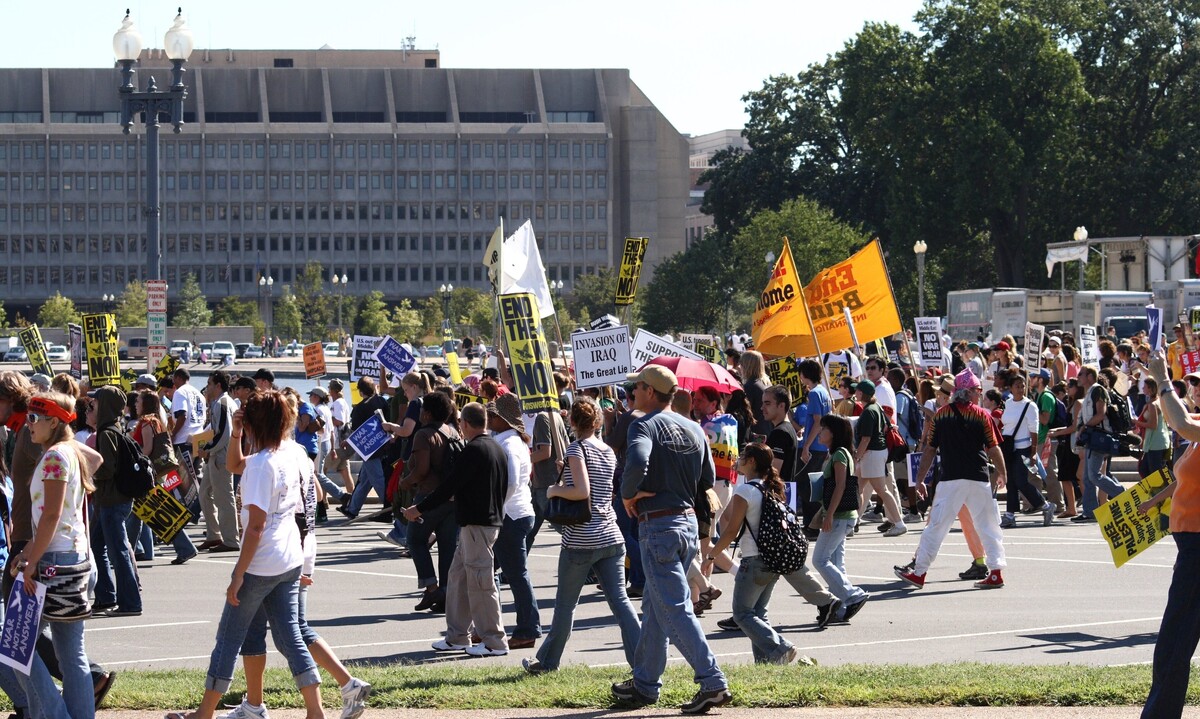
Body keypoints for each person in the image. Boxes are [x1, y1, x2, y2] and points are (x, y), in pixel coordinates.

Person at [166, 391, 324, 719]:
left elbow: (254, 527)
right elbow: (234, 463)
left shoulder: (263, 465)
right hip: (289, 558)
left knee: (228, 638)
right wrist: (237, 432)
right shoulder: (287, 454)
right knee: (290, 636)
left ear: (255, 423)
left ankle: (205, 712)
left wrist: (238, 574)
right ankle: (315, 710)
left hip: (262, 562)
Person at [615, 365, 731, 714]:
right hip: (686, 525)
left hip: (659, 526)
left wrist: (628, 494)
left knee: (673, 608)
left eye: (636, 387)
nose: (632, 392)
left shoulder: (644, 424)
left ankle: (712, 681)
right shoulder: (694, 427)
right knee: (655, 606)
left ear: (651, 391)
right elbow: (707, 477)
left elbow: (635, 461)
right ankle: (645, 683)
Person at [523, 398, 640, 674]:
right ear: (598, 421)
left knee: (565, 605)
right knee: (621, 602)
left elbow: (581, 492)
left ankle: (548, 662)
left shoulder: (577, 449)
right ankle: (642, 660)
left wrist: (554, 490)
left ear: (572, 422)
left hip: (581, 537)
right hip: (611, 535)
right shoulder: (607, 451)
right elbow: (602, 491)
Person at [404, 402, 509, 658]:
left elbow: (449, 486)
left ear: (466, 424)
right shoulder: (495, 447)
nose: (459, 426)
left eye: (461, 422)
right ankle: (457, 637)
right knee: (458, 578)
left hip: (478, 524)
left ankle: (494, 640)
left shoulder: (475, 449)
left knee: (480, 583)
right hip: (478, 522)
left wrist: (419, 508)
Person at [895, 369, 1008, 590]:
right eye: (977, 390)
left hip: (951, 478)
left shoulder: (941, 415)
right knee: (988, 525)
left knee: (936, 526)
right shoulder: (982, 415)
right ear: (970, 392)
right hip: (978, 476)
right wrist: (1003, 473)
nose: (979, 393)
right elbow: (993, 448)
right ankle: (995, 572)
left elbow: (929, 450)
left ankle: (919, 573)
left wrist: (920, 479)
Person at [1137, 352, 1200, 717]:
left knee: (1173, 642)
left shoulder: (1194, 430)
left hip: (1197, 549)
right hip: (1191, 545)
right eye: (1191, 381)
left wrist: (1163, 379)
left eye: (1198, 383)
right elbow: (1181, 478)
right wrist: (1156, 501)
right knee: (1175, 640)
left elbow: (1179, 423)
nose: (1193, 387)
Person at [704, 443, 802, 664]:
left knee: (742, 615)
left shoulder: (745, 491)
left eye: (742, 456)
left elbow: (731, 531)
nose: (737, 460)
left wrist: (711, 556)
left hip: (753, 560)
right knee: (758, 613)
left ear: (752, 462)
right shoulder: (773, 488)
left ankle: (781, 647)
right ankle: (766, 665)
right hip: (773, 559)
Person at [486, 394, 542, 650]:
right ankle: (487, 626)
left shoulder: (509, 445)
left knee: (515, 575)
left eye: (492, 416)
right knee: (488, 571)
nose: (488, 420)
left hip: (511, 516)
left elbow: (509, 483)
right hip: (515, 513)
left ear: (501, 419)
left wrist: (496, 509)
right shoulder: (510, 441)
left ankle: (526, 629)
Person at [397, 391, 460, 614]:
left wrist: (406, 482)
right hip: (452, 497)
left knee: (414, 540)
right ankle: (446, 593)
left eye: (423, 409)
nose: (420, 412)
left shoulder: (424, 435)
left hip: (429, 496)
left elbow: (421, 469)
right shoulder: (453, 431)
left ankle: (432, 587)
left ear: (428, 413)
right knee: (447, 547)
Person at [88, 385, 143, 618]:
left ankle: (129, 602)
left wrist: (88, 473)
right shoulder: (114, 429)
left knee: (117, 551)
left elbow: (107, 468)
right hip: (111, 500)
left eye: (96, 402)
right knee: (98, 547)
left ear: (106, 404)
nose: (92, 405)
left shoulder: (106, 432)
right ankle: (106, 596)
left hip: (111, 500)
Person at [810, 414, 868, 623]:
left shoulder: (840, 455)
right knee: (835, 562)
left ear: (833, 433)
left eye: (823, 428)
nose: (819, 432)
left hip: (839, 516)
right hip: (842, 516)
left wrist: (830, 515)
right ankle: (841, 605)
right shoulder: (836, 453)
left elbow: (841, 485)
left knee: (819, 560)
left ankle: (852, 595)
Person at [998, 374, 1054, 529]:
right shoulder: (1008, 403)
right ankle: (1010, 514)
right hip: (1009, 448)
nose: (1021, 389)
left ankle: (1045, 505)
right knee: (1011, 482)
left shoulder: (1030, 405)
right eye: (1017, 386)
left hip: (1024, 448)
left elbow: (1034, 430)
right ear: (1010, 387)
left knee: (1021, 480)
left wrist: (1034, 451)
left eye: (1023, 386)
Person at [852, 381, 906, 536]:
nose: (855, 393)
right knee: (858, 488)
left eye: (857, 391)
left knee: (882, 490)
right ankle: (852, 522)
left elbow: (866, 439)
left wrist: (857, 457)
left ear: (862, 393)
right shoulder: (875, 408)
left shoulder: (869, 411)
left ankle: (899, 523)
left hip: (872, 453)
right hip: (875, 453)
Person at [1075, 365, 1128, 523]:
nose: (1078, 377)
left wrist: (1085, 427)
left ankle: (1121, 493)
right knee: (1086, 477)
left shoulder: (1098, 390)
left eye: (1081, 374)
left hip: (1100, 438)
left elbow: (1101, 413)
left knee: (1094, 475)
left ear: (1090, 376)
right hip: (1092, 438)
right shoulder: (1090, 391)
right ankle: (1089, 511)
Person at [198, 371, 239, 553]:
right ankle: (214, 535)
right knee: (204, 494)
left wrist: (207, 449)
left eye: (209, 383)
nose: (207, 387)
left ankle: (230, 539)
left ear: (218, 385)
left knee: (224, 499)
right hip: (215, 456)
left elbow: (224, 433)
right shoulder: (219, 403)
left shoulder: (222, 403)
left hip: (220, 458)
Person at [336, 378, 389, 521]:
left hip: (368, 449)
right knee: (365, 480)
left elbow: (356, 433)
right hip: (383, 445)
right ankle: (352, 509)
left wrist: (348, 442)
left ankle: (389, 508)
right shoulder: (382, 401)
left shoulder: (359, 408)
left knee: (377, 479)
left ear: (360, 391)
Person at [1135, 377, 1170, 478]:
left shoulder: (1153, 404)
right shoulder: (1159, 401)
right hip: (1157, 442)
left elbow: (1153, 425)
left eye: (1144, 386)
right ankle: (1158, 492)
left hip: (1155, 443)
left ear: (1150, 388)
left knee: (1154, 473)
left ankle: (1163, 493)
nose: (1142, 388)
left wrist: (1136, 422)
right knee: (1144, 469)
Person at [326, 380, 354, 495]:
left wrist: (327, 418)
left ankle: (323, 501)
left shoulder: (338, 403)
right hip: (341, 443)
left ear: (333, 390)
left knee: (321, 471)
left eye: (329, 388)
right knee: (345, 472)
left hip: (338, 444)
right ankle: (352, 498)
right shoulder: (340, 402)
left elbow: (339, 421)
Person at [739, 350, 772, 437]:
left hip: (756, 434)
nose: (739, 367)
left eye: (741, 363)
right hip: (767, 431)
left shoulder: (750, 386)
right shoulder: (766, 383)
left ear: (747, 365)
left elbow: (744, 414)